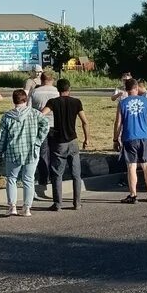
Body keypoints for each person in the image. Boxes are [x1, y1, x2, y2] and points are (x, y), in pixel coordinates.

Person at [0, 89, 49, 217]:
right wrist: (38, 141)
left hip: (13, 151)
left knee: (12, 179)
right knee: (28, 179)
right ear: (26, 99)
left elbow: (2, 137)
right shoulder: (35, 114)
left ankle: (12, 206)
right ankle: (27, 208)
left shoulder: (7, 117)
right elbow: (45, 125)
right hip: (31, 150)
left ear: (13, 101)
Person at [41, 79, 89, 212]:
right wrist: (87, 139)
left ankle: (57, 204)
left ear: (58, 89)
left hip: (59, 142)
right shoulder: (76, 102)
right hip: (73, 141)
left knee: (57, 174)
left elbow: (41, 114)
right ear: (69, 89)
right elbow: (85, 122)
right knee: (76, 174)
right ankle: (77, 203)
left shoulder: (53, 102)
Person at [113, 77, 147, 204]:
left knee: (131, 166)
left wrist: (115, 139)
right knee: (146, 165)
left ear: (126, 90)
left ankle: (133, 195)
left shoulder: (122, 103)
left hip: (129, 137)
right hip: (144, 136)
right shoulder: (145, 101)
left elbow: (118, 123)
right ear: (136, 88)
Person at [30, 71, 59, 196]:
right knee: (55, 152)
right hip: (55, 124)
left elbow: (29, 109)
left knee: (42, 152)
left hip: (40, 125)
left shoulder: (35, 92)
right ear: (52, 80)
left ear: (41, 80)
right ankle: (55, 176)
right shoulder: (57, 92)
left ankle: (43, 177)